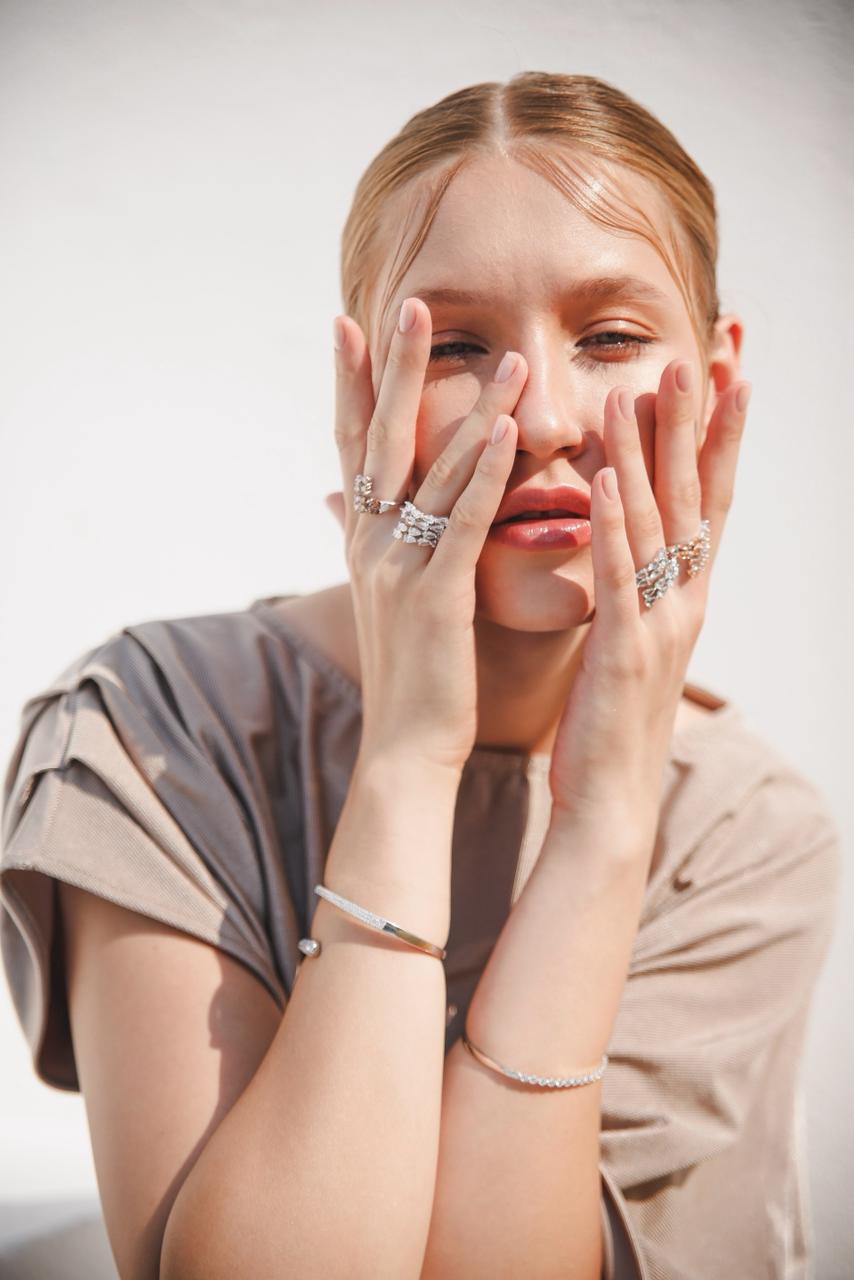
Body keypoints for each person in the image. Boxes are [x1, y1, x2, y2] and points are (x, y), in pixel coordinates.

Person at [0, 71, 841, 1280]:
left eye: (608, 337)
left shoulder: (748, 838)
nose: (543, 412)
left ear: (709, 380)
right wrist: (405, 756)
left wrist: (604, 823)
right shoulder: (150, 732)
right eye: (454, 344)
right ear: (362, 390)